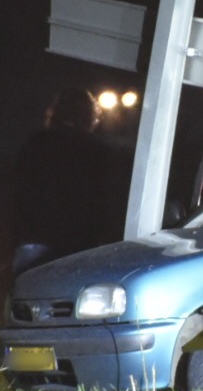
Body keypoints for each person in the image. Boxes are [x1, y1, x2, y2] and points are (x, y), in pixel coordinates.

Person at [11, 88, 121, 274]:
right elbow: (104, 200)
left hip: (37, 236)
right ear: (90, 115)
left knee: (27, 293)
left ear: (56, 111)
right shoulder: (98, 150)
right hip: (78, 242)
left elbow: (18, 189)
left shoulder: (38, 142)